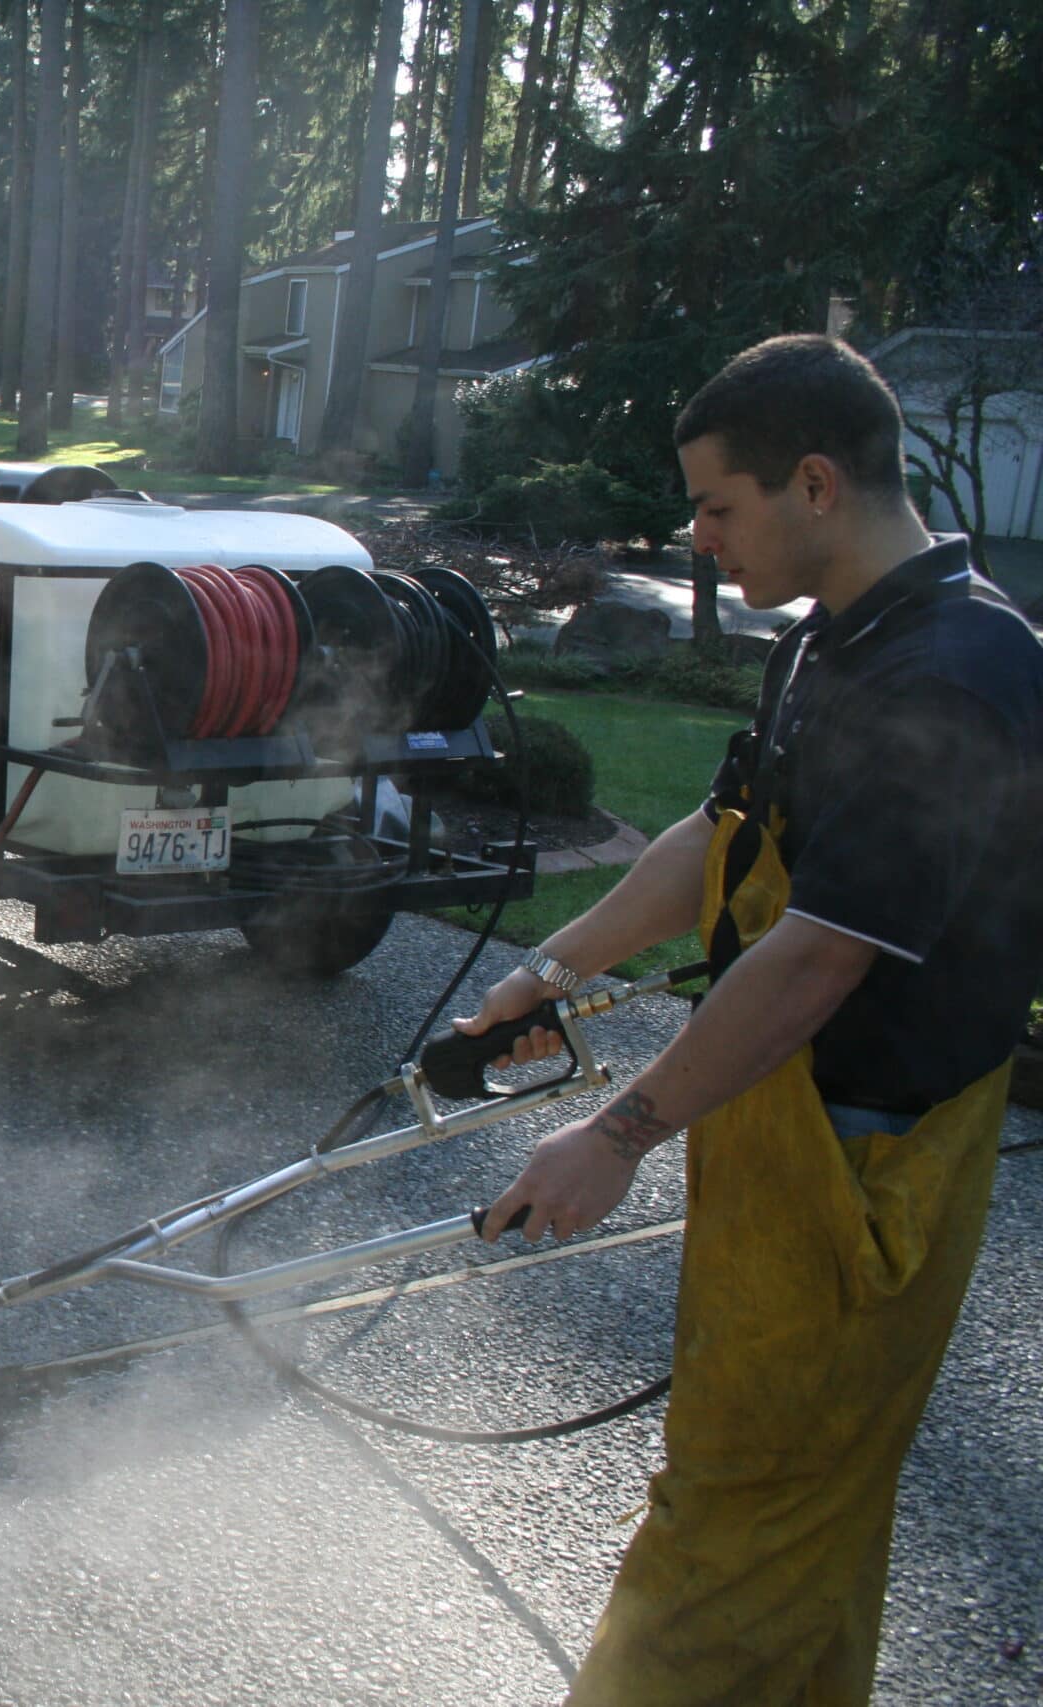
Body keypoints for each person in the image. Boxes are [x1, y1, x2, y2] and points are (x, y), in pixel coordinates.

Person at [454, 333, 1043, 1705]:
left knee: (738, 1519)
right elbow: (720, 836)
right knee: (799, 1524)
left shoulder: (954, 677)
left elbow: (820, 956)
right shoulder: (832, 642)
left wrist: (617, 1133)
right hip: (783, 1126)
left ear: (816, 484)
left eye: (718, 507)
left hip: (865, 1170)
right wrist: (552, 971)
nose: (700, 540)